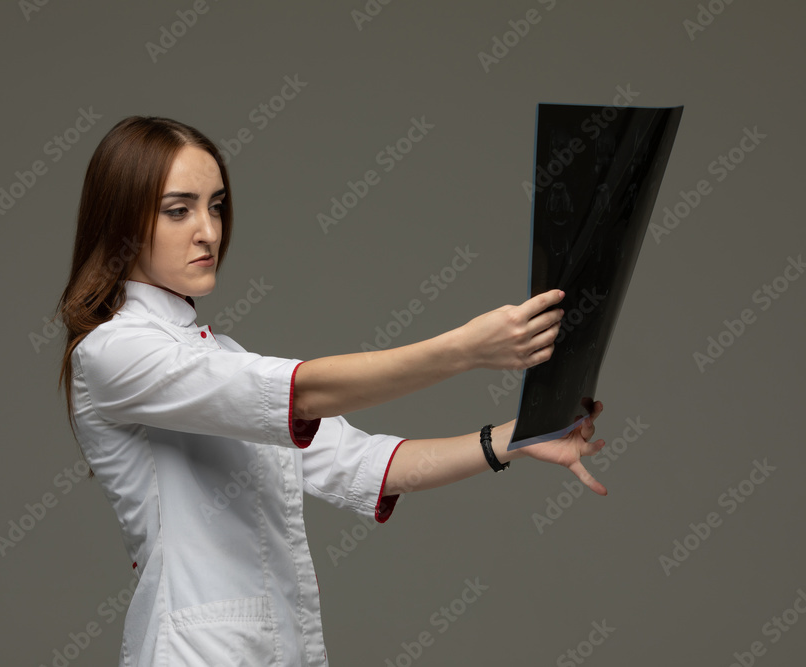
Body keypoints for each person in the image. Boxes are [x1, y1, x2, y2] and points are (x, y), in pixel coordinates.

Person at [56, 116, 607, 667]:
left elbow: (366, 463)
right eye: (179, 210)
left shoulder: (219, 354)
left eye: (216, 206)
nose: (209, 232)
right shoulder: (112, 352)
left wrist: (518, 437)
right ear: (121, 222)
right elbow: (304, 393)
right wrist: (464, 350)